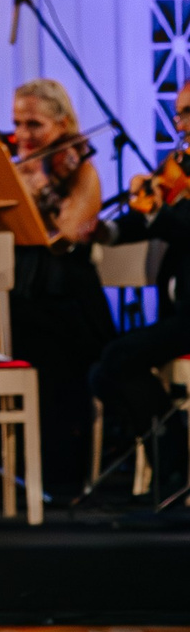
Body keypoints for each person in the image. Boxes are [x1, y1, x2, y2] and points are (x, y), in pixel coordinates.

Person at [7, 78, 113, 494]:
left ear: (63, 123)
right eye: (18, 124)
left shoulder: (82, 171)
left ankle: (57, 475)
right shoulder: (11, 170)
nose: (23, 135)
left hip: (71, 306)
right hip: (24, 296)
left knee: (39, 342)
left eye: (35, 124)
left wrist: (41, 189)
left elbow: (68, 235)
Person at [89, 78, 190, 481]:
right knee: (103, 370)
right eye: (178, 114)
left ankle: (172, 456)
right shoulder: (179, 169)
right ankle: (169, 450)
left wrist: (156, 212)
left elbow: (180, 226)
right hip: (179, 316)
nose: (180, 125)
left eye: (188, 113)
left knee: (117, 359)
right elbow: (149, 219)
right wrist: (107, 231)